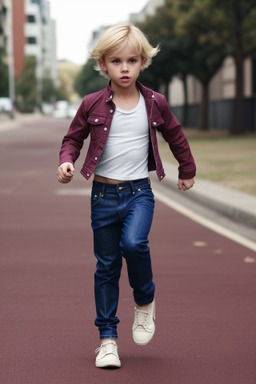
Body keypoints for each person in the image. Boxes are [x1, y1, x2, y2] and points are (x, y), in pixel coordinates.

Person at [57, 24, 196, 369]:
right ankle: (107, 341)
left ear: (143, 63)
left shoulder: (155, 103)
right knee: (106, 267)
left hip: (139, 193)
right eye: (116, 61)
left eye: (132, 60)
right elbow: (72, 138)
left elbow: (175, 135)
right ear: (103, 64)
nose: (124, 68)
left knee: (134, 245)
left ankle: (145, 299)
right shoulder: (92, 103)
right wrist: (66, 162)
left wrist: (187, 169)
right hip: (102, 195)